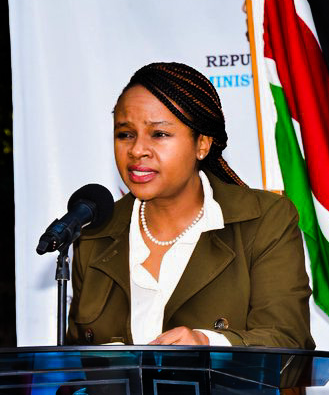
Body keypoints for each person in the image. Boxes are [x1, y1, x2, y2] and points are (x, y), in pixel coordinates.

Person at [66, 62, 314, 349]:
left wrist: (209, 344)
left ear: (202, 144)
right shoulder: (94, 232)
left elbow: (290, 343)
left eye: (159, 134)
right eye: (125, 134)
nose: (136, 150)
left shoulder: (264, 220)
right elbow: (75, 359)